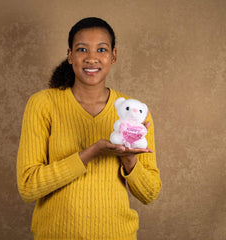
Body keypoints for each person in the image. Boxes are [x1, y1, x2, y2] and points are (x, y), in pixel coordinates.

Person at [17, 17, 162, 240]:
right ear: (70, 55)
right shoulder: (43, 104)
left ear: (113, 56)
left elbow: (150, 194)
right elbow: (28, 186)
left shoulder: (134, 112)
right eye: (82, 49)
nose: (92, 58)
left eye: (101, 49)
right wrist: (90, 153)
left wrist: (130, 161)